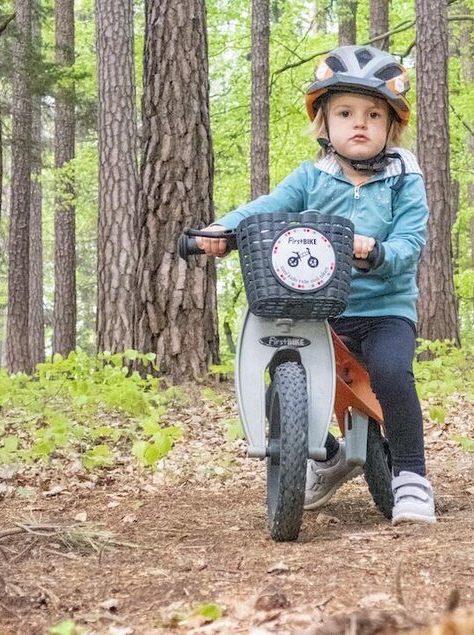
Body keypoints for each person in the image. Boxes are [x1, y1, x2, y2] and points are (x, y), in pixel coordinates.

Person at [196, 45, 435, 524]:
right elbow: (268, 206)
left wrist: (381, 251)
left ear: (392, 126)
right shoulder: (312, 177)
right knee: (282, 367)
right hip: (323, 307)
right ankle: (324, 455)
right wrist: (222, 230)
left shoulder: (404, 178)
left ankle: (412, 477)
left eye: (373, 114)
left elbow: (411, 238)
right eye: (346, 112)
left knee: (391, 371)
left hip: (385, 308)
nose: (360, 123)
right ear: (324, 123)